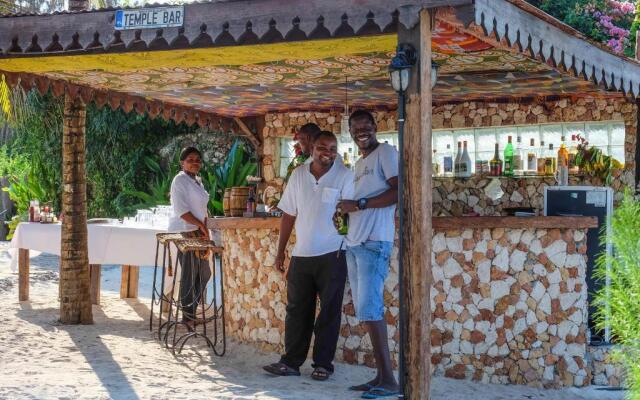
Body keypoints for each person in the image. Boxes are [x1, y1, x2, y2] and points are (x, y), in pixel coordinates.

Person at [263, 131, 354, 381]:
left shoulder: (345, 175)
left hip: (333, 254)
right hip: (301, 254)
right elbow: (289, 214)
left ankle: (323, 364)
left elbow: (349, 212)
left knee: (329, 312)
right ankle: (291, 362)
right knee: (296, 310)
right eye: (323, 147)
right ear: (312, 148)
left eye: (333, 148)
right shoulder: (298, 175)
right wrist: (281, 251)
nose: (329, 152)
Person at [337, 110, 399, 399]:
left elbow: (399, 192)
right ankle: (379, 376)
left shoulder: (385, 152)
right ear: (350, 132)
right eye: (355, 128)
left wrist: (359, 203)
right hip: (356, 243)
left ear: (375, 127)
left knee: (372, 309)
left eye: (365, 126)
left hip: (374, 242)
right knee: (366, 310)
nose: (361, 131)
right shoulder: (360, 163)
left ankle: (389, 380)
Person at [168, 146, 211, 327]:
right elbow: (181, 211)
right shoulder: (180, 180)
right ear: (182, 162)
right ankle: (187, 316)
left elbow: (201, 208)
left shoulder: (197, 181)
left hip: (198, 230)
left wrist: (206, 225)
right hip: (185, 229)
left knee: (204, 272)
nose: (195, 163)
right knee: (190, 273)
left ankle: (189, 312)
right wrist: (201, 225)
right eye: (191, 159)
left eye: (198, 160)